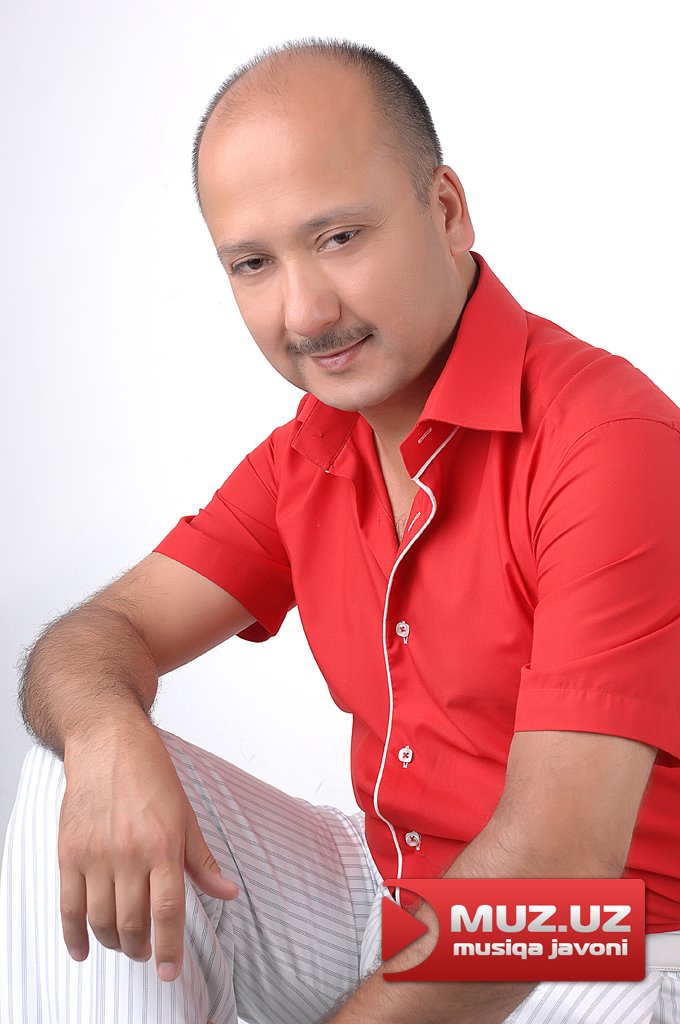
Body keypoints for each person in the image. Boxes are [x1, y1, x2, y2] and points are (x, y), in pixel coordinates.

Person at [2, 36, 680, 1024]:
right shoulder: (309, 454)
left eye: (339, 238)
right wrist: (106, 731)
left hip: (604, 940)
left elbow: (557, 865)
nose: (305, 310)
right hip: (390, 899)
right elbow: (96, 637)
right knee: (73, 763)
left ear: (444, 210)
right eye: (253, 263)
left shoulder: (608, 441)